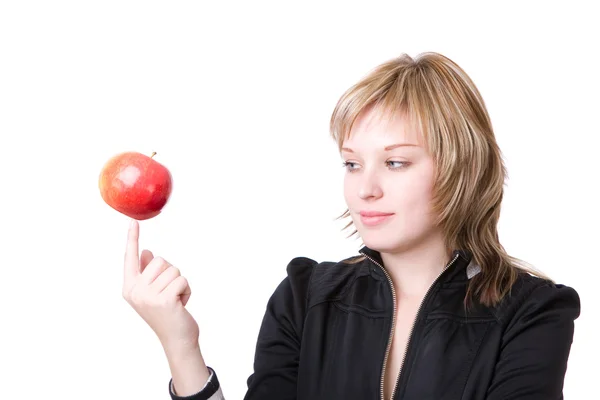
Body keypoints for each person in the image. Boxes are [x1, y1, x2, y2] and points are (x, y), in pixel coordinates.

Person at [122, 52, 581, 400]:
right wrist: (181, 345)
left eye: (396, 162)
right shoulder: (304, 297)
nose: (366, 189)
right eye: (352, 164)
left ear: (462, 168)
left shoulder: (533, 313)